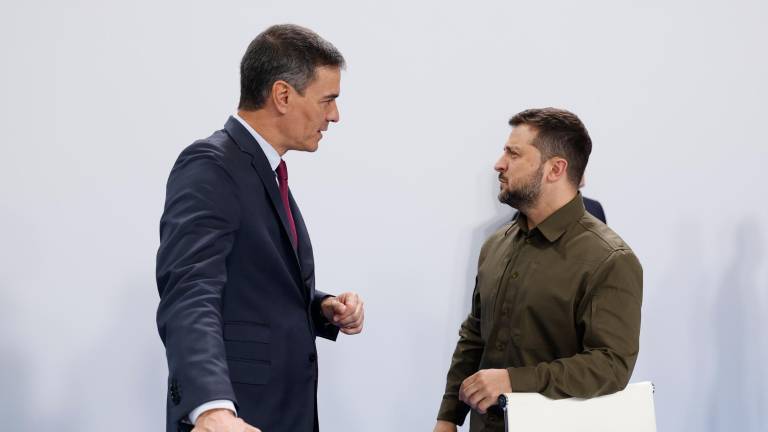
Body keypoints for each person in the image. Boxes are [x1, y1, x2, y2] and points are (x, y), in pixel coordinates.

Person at [156, 24, 364, 432]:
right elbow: (189, 290)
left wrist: (320, 306)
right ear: (283, 95)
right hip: (236, 417)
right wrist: (212, 408)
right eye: (328, 100)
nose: (335, 115)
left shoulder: (262, 171)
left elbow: (251, 283)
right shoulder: (211, 165)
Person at [434, 108, 642, 432]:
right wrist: (448, 417)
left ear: (555, 169)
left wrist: (513, 382)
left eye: (513, 154)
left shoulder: (610, 259)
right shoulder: (495, 245)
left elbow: (611, 365)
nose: (498, 164)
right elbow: (475, 336)